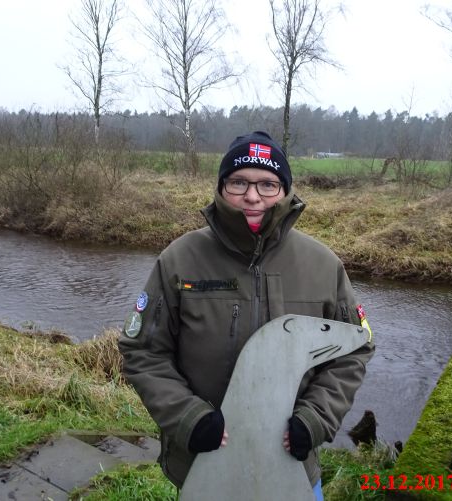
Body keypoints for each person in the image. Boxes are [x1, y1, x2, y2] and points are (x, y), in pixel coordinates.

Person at [118, 131, 375, 500]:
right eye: (239, 181)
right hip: (204, 466)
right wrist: (187, 418)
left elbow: (354, 349)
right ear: (222, 187)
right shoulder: (179, 259)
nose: (252, 196)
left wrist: (316, 418)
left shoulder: (323, 265)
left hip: (293, 468)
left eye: (268, 184)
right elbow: (143, 350)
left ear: (285, 191)